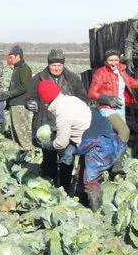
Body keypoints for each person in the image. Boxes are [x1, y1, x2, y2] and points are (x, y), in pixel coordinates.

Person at [35, 80, 125, 211]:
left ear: (45, 100)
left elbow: (61, 143)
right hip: (99, 132)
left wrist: (47, 144)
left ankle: (97, 212)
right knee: (80, 173)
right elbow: (78, 121)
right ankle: (83, 203)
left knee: (90, 180)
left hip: (98, 142)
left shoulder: (62, 114)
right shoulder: (70, 99)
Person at [26, 49, 89, 186]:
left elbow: (83, 97)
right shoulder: (38, 78)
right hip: (45, 124)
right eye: (53, 65)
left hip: (66, 125)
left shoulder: (72, 78)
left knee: (66, 157)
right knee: (48, 158)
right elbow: (31, 96)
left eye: (59, 65)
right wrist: (31, 103)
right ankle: (50, 184)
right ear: (48, 64)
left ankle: (65, 186)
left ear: (63, 64)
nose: (56, 68)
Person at [88, 49, 138, 149]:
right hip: (107, 108)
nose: (113, 63)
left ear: (119, 60)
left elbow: (135, 83)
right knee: (124, 131)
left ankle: (112, 158)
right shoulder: (100, 73)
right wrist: (107, 99)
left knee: (115, 136)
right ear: (106, 61)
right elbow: (91, 93)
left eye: (116, 60)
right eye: (110, 60)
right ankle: (117, 159)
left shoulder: (121, 71)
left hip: (120, 108)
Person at [0, 45, 33, 148]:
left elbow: (25, 87)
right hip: (14, 104)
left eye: (12, 57)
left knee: (22, 132)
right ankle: (21, 153)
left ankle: (28, 151)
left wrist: (9, 93)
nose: (10, 59)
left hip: (20, 104)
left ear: (18, 56)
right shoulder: (17, 68)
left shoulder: (24, 69)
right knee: (15, 131)